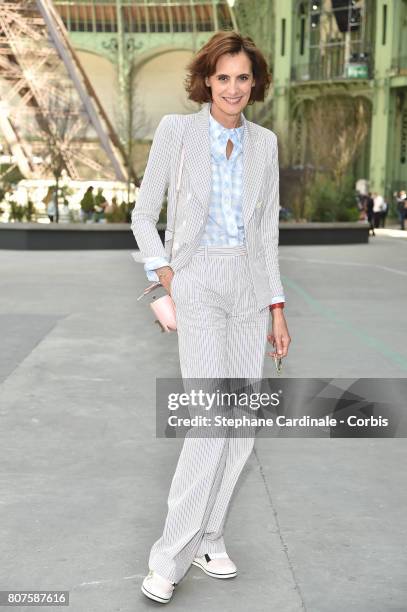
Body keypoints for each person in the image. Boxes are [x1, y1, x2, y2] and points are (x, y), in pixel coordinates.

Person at [131, 31, 291, 605]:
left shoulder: (266, 144)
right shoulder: (178, 133)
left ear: (255, 84)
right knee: (208, 423)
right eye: (222, 77)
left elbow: (267, 236)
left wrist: (276, 307)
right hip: (197, 284)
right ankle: (169, 556)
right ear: (206, 80)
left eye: (242, 78)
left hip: (249, 288)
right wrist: (163, 274)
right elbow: (144, 215)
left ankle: (211, 533)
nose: (232, 88)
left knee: (241, 427)